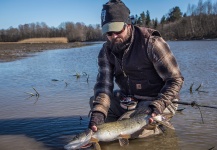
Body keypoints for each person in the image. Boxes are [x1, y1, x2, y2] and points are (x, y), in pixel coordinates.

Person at [89, 0, 184, 137]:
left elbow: (175, 80)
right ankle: (123, 125)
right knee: (96, 103)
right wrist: (98, 112)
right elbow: (104, 86)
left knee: (126, 131)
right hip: (131, 99)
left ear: (128, 24)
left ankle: (159, 126)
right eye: (109, 33)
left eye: (117, 30)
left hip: (159, 100)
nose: (113, 36)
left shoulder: (151, 43)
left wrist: (157, 106)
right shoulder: (106, 51)